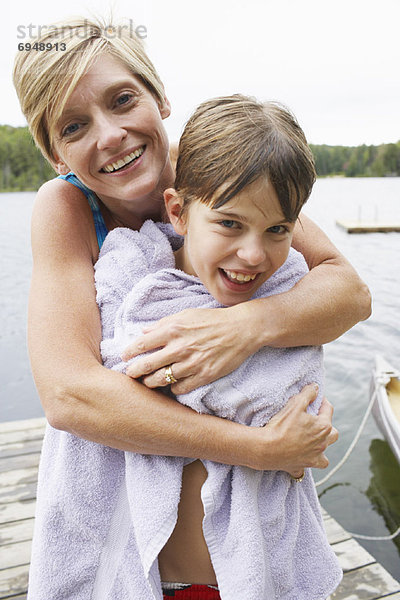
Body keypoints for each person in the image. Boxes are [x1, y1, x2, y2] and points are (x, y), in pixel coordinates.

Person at [12, 15, 370, 596]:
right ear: (55, 153)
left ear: (160, 97)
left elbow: (350, 291)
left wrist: (247, 326)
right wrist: (258, 448)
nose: (110, 135)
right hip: (142, 553)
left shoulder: (218, 171)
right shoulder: (66, 209)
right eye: (75, 126)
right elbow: (67, 393)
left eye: (123, 99)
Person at [92, 94, 342, 599]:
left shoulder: (291, 286)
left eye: (277, 230)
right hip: (156, 579)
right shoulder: (135, 275)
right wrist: (264, 441)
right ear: (179, 212)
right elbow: (113, 379)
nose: (253, 254)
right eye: (229, 223)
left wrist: (293, 428)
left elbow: (295, 399)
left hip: (255, 575)